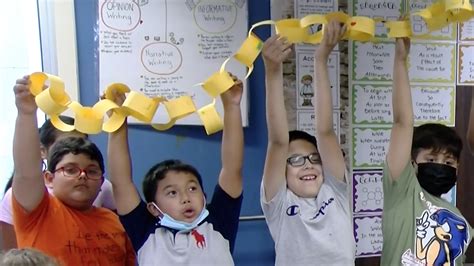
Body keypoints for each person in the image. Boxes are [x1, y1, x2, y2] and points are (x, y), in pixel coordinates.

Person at [107, 76, 244, 264]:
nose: (185, 198)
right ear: (153, 209)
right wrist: (118, 121)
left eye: (192, 188)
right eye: (172, 192)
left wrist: (232, 107)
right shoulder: (146, 231)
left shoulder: (218, 222)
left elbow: (232, 168)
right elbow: (121, 183)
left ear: (204, 195)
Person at [11, 75, 136, 265]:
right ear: (49, 178)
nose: (82, 176)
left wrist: (118, 118)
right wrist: (27, 113)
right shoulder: (38, 212)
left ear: (102, 183)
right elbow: (26, 172)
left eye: (92, 171)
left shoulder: (114, 222)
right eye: (70, 170)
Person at [260, 21, 355, 266]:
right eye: (296, 161)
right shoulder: (279, 204)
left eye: (314, 158)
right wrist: (272, 71)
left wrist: (321, 59)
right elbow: (279, 141)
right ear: (283, 172)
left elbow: (325, 131)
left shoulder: (335, 191)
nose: (308, 165)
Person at [382, 37, 473, 265]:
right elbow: (402, 122)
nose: (441, 166)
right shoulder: (403, 192)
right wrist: (401, 60)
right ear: (412, 163)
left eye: (449, 162)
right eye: (431, 158)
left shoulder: (460, 221)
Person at [0, 116, 116, 251]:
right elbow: (8, 251)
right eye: (66, 145)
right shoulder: (22, 196)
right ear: (42, 151)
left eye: (81, 143)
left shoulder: (100, 186)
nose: (76, 150)